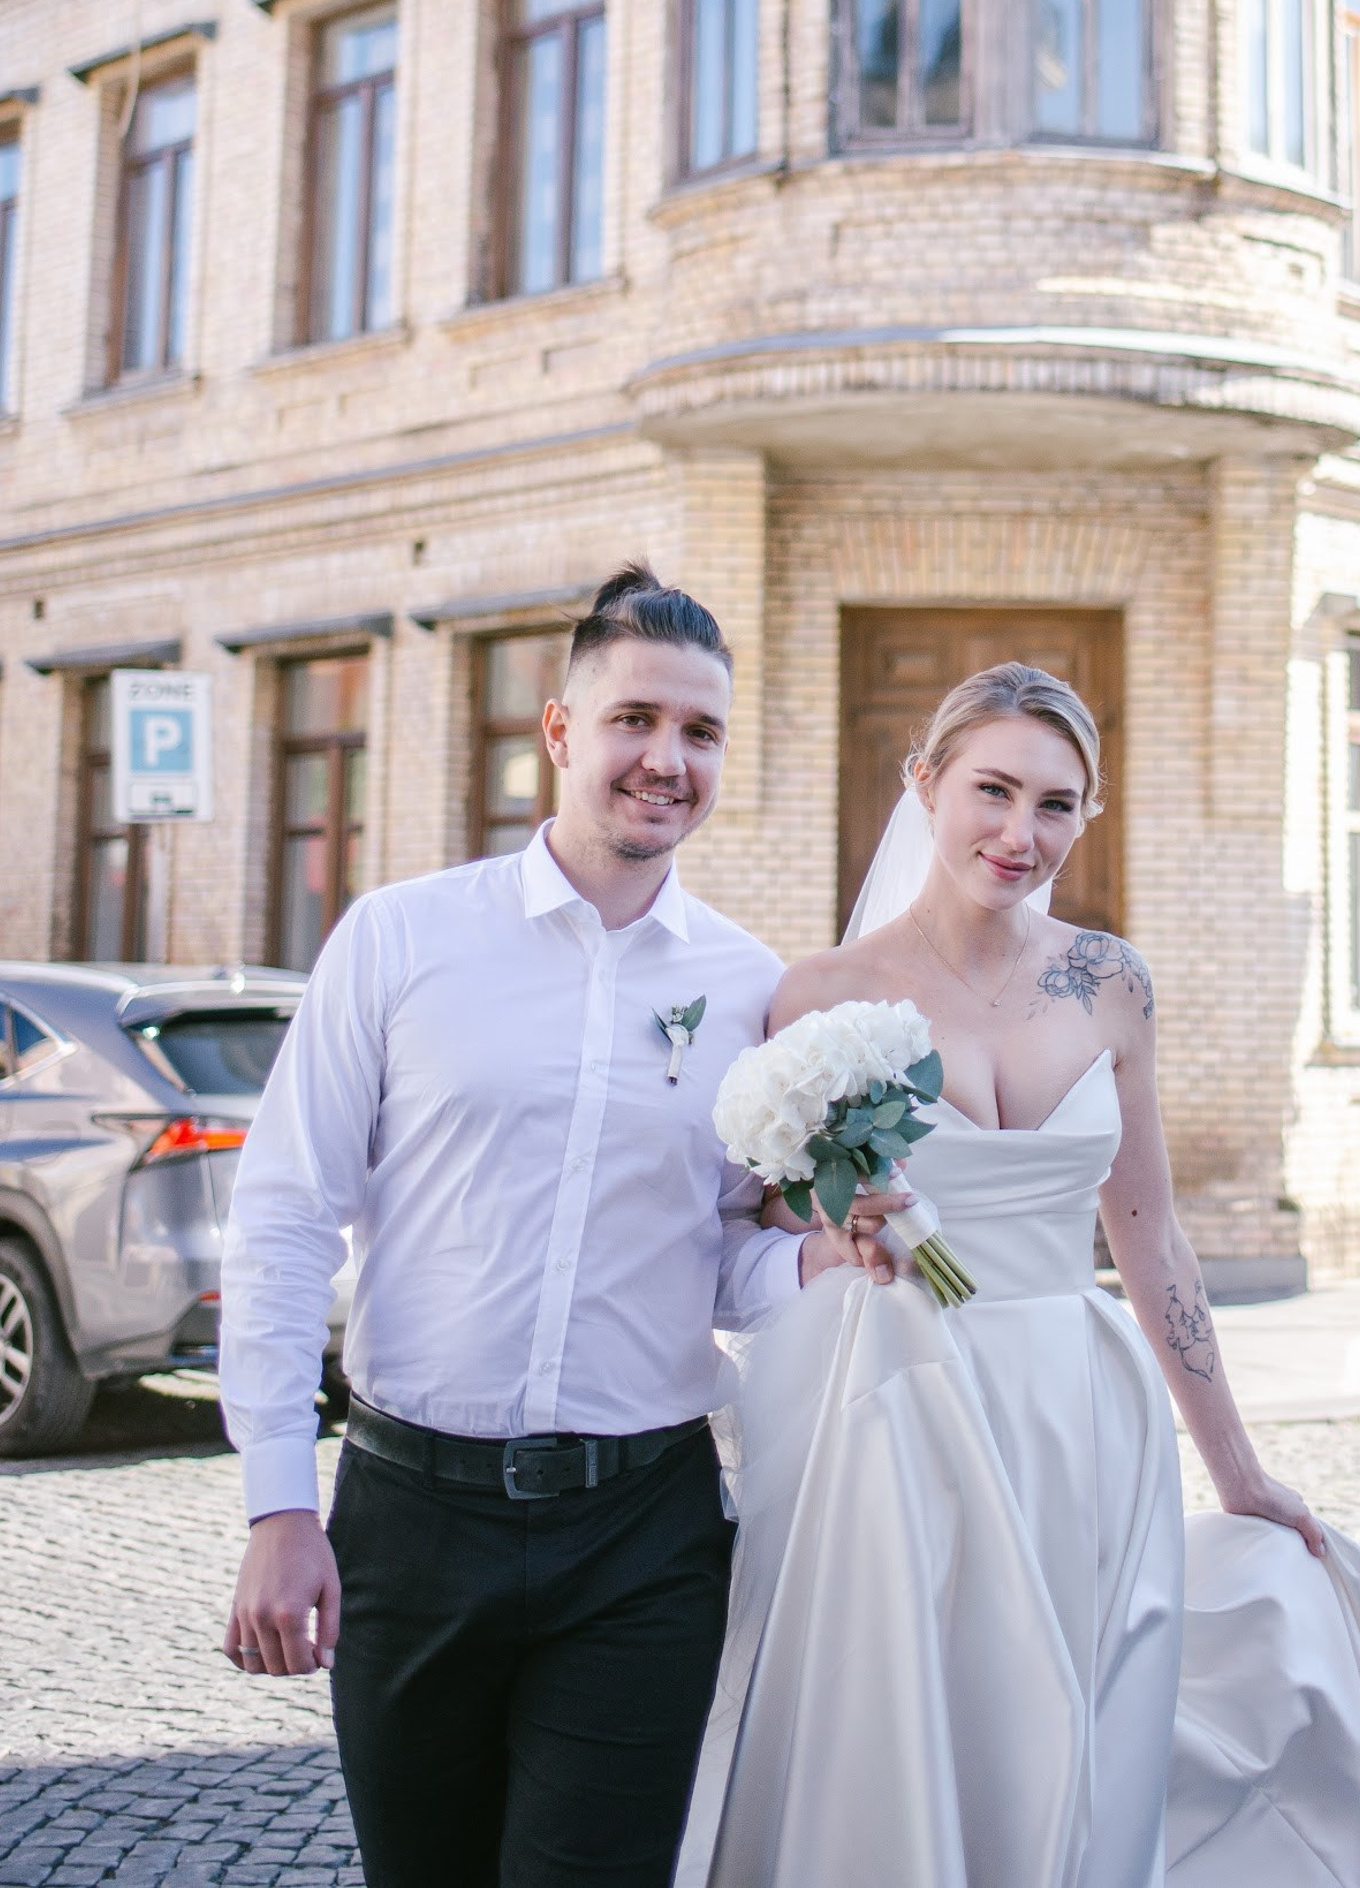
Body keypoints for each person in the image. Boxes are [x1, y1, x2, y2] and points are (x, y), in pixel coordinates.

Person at [676, 662, 1360, 1888]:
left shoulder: (1111, 983)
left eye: (1056, 804)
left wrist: (1240, 1470)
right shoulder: (821, 997)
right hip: (898, 1405)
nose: (1020, 832)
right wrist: (845, 1220)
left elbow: (1151, 1237)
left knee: (1087, 1716)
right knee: (924, 1715)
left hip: (1077, 1407)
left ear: (1088, 814)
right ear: (925, 784)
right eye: (992, 790)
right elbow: (783, 1229)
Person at [219, 565, 876, 1888]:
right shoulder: (400, 940)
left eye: (701, 731)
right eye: (636, 718)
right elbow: (285, 1217)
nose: (668, 759)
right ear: (561, 731)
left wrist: (818, 1259)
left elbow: (718, 1258)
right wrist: (278, 1503)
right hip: (412, 1518)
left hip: (644, 1536)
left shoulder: (749, 990)